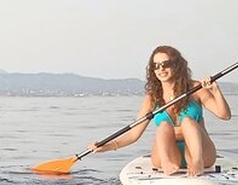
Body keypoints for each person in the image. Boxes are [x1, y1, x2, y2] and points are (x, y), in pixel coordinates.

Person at [92, 45, 231, 176]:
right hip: (167, 154)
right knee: (164, 125)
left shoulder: (196, 88)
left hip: (200, 152)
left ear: (177, 65)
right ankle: (166, 163)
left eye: (166, 64)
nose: (161, 69)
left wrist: (216, 91)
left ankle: (196, 162)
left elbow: (225, 115)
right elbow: (134, 134)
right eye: (156, 66)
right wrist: (107, 147)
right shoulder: (152, 97)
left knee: (188, 121)